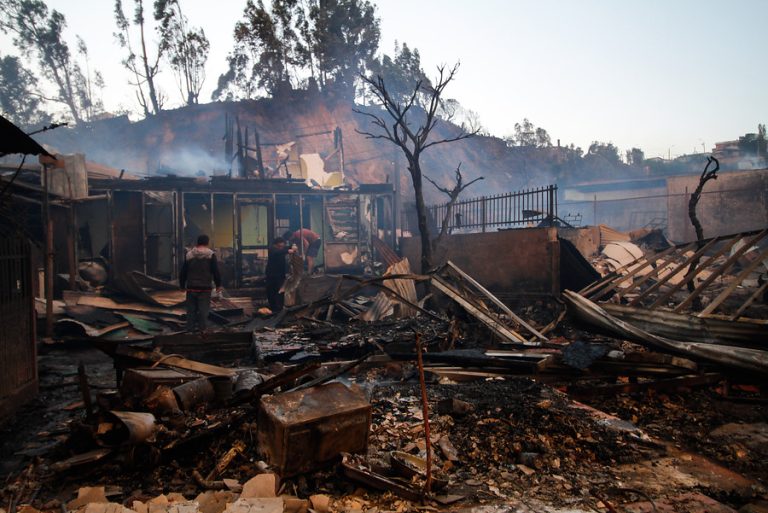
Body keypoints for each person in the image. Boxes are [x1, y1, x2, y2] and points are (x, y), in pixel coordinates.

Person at [179, 234, 222, 332]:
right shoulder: (210, 255)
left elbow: (183, 272)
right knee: (203, 311)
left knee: (191, 311)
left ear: (197, 242)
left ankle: (190, 330)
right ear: (207, 242)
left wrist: (182, 285)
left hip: (191, 287)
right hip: (205, 288)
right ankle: (202, 331)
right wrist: (218, 285)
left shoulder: (189, 255)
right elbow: (215, 271)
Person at [264, 236, 293, 312]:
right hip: (271, 274)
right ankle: (273, 307)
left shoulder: (281, 249)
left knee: (280, 291)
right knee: (271, 291)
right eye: (280, 246)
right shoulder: (272, 250)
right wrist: (288, 251)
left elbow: (286, 248)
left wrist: (292, 246)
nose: (281, 248)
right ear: (275, 245)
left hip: (280, 274)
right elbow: (278, 252)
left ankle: (279, 307)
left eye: (282, 246)